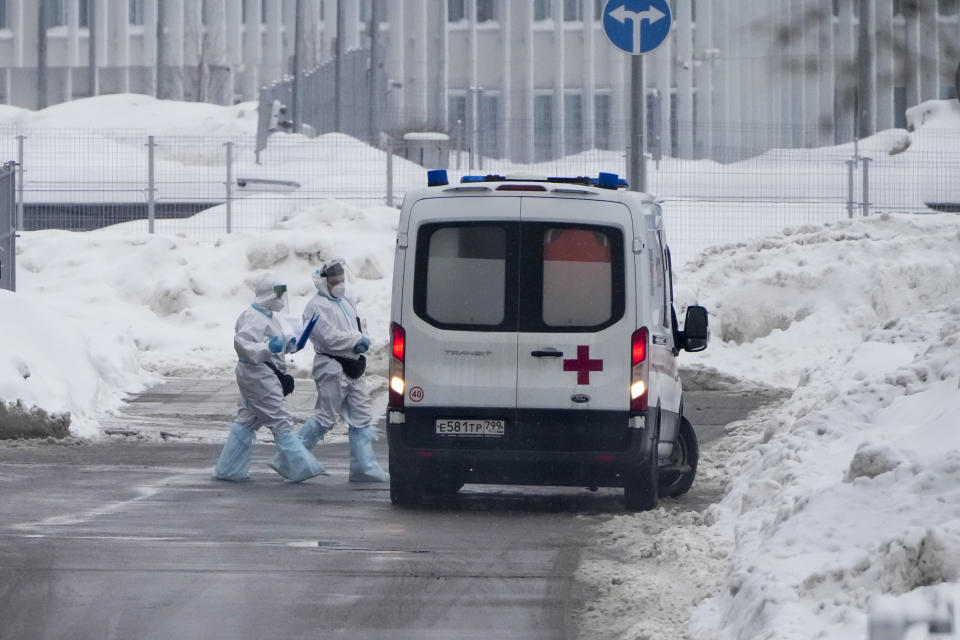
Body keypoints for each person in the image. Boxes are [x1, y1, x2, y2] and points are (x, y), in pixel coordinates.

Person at [213, 273, 326, 483]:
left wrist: (292, 344)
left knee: (248, 419)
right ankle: (301, 467)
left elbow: (277, 343)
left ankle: (229, 468)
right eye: (278, 294)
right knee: (280, 419)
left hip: (265, 373)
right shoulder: (251, 317)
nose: (281, 299)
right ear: (268, 295)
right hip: (257, 374)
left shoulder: (269, 316)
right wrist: (267, 348)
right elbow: (244, 346)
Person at [290, 258, 389, 483]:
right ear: (324, 281)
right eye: (334, 279)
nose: (339, 282)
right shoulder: (315, 306)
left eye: (341, 277)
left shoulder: (345, 301)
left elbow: (359, 325)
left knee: (362, 416)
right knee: (326, 416)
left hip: (353, 365)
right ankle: (291, 459)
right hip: (332, 366)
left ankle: (364, 468)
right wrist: (356, 340)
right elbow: (328, 338)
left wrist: (363, 339)